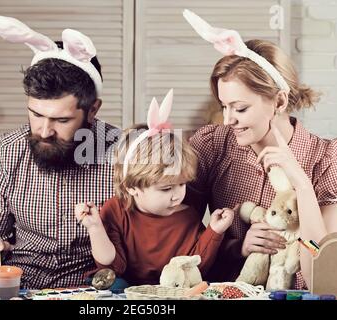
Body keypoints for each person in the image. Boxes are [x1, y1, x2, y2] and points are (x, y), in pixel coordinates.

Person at [183, 10, 337, 289]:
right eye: (224, 107)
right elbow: (179, 240)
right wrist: (236, 247)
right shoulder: (212, 145)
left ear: (280, 101)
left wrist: (302, 186)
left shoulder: (328, 158)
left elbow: (324, 276)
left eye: (240, 108)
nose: (228, 120)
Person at [0, 14, 120, 289]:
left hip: (94, 290)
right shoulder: (5, 152)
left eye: (61, 120)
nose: (44, 131)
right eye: (36, 114)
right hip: (21, 286)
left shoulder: (123, 153)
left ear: (92, 109)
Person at [75, 90, 234, 286]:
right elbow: (114, 266)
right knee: (113, 284)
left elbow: (195, 267)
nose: (177, 196)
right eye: (166, 189)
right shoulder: (115, 210)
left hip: (170, 288)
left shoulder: (186, 215)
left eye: (182, 184)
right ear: (132, 187)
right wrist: (95, 227)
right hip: (124, 285)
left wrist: (215, 231)